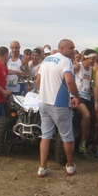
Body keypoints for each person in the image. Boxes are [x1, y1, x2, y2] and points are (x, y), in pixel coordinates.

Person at [36, 39, 80, 177]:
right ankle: (70, 166)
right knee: (67, 136)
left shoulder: (46, 60)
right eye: (71, 48)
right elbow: (69, 80)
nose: (73, 51)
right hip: (59, 103)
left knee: (46, 135)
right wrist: (76, 95)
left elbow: (37, 81)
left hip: (44, 102)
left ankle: (42, 167)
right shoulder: (66, 61)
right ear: (62, 48)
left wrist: (44, 90)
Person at [73, 49, 97, 158]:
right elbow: (66, 75)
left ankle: (83, 142)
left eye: (95, 59)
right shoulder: (79, 66)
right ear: (86, 58)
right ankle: (82, 144)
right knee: (86, 115)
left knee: (88, 121)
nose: (94, 61)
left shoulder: (92, 69)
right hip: (77, 97)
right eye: (92, 59)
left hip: (87, 97)